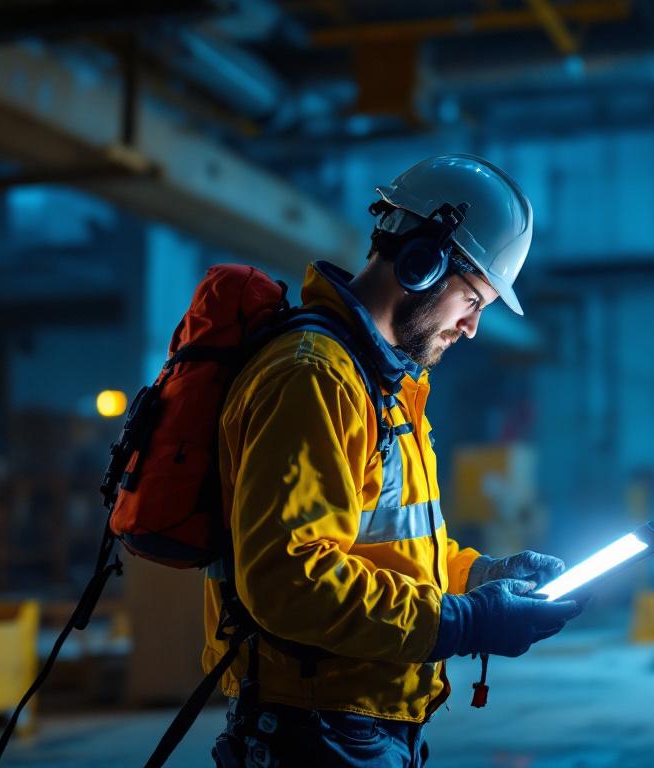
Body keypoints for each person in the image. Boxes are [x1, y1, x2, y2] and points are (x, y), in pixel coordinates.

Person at [206, 155, 582, 767]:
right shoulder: (315, 377)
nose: (471, 327)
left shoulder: (385, 386)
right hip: (315, 729)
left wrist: (478, 579)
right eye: (473, 299)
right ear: (424, 262)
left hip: (359, 721)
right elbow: (288, 582)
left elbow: (386, 551)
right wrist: (463, 623)